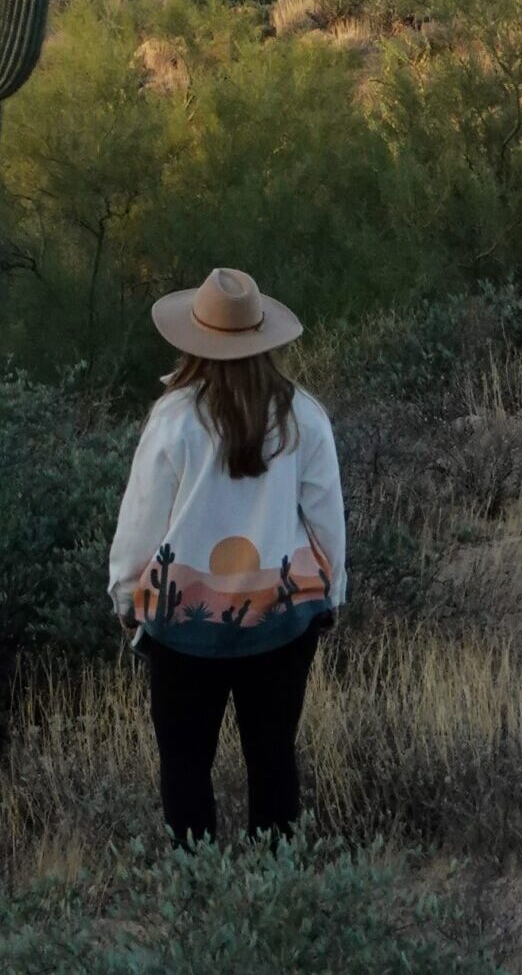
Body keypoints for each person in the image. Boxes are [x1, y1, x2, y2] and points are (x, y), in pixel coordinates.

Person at [108, 267, 346, 845]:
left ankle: (198, 898)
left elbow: (142, 520)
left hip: (182, 626)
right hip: (284, 621)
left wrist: (124, 594)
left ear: (196, 340)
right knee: (274, 760)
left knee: (185, 764)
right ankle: (276, 891)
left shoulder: (173, 419)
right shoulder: (303, 416)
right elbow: (326, 521)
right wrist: (331, 596)